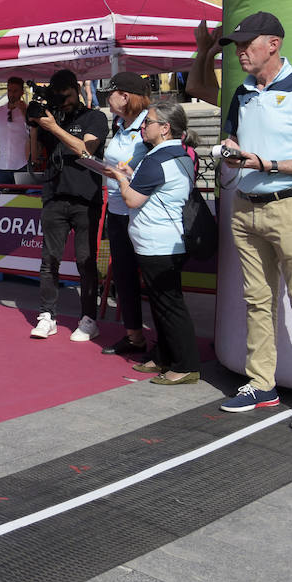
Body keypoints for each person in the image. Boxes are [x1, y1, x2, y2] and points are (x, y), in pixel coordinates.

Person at [214, 12, 292, 431]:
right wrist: (227, 150)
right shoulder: (241, 92)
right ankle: (261, 383)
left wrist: (269, 163)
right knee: (257, 300)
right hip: (246, 206)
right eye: (236, 44)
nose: (239, 51)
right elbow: (235, 140)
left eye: (246, 44)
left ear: (273, 44)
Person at [104, 99, 200, 384]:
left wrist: (120, 178)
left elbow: (132, 198)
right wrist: (131, 177)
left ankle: (185, 365)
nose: (143, 127)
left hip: (159, 242)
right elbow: (153, 187)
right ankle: (164, 356)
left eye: (149, 123)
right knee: (162, 304)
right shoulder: (173, 154)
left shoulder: (159, 158)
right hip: (161, 240)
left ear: (165, 128)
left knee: (169, 305)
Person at [28, 68, 108, 339]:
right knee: (49, 260)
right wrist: (35, 125)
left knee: (85, 261)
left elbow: (86, 149)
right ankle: (47, 315)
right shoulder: (53, 117)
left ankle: (88, 319)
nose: (65, 102)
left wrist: (54, 128)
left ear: (78, 90)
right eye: (59, 97)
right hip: (53, 196)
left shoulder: (94, 117)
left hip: (85, 200)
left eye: (68, 95)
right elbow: (35, 154)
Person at [98, 72, 153, 356]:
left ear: (125, 96)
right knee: (123, 274)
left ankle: (164, 341)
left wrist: (131, 175)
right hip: (118, 209)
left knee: (154, 278)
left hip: (144, 212)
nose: (105, 97)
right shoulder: (119, 124)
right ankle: (134, 336)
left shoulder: (150, 125)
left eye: (110, 92)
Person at [0, 76, 30, 186]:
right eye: (9, 90)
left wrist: (25, 114)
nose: (12, 94)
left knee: (22, 201)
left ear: (21, 92)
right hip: (2, 167)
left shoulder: (28, 110)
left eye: (15, 91)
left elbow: (33, 133)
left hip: (22, 166)